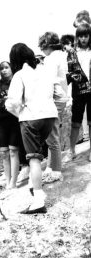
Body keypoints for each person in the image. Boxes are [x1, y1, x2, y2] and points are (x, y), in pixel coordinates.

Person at [6, 43, 62, 214]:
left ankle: (38, 200)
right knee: (38, 150)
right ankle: (32, 184)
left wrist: (17, 112)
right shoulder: (44, 71)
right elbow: (59, 94)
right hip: (50, 116)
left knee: (34, 159)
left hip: (31, 117)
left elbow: (13, 102)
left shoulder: (19, 75)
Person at [38, 32, 68, 183]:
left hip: (54, 98)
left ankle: (56, 170)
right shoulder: (62, 55)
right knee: (52, 134)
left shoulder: (50, 59)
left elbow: (48, 82)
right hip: (62, 96)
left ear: (46, 45)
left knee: (52, 135)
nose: (42, 51)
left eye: (42, 47)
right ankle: (50, 167)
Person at [63, 24, 91, 162]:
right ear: (77, 37)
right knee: (75, 122)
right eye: (81, 36)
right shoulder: (72, 53)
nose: (83, 39)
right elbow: (68, 72)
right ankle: (71, 150)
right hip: (78, 91)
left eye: (86, 35)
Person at [0, 61, 21, 189]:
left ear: (11, 68)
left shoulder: (17, 81)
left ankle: (14, 182)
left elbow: (20, 99)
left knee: (14, 151)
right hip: (2, 121)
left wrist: (7, 102)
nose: (4, 70)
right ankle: (8, 182)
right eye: (1, 68)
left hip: (15, 120)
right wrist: (10, 102)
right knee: (4, 153)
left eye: (6, 67)